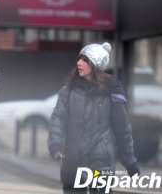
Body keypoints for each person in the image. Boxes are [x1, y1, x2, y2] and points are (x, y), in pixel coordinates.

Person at [48, 42, 140, 194]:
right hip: (73, 163)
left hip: (100, 164)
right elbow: (57, 120)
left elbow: (122, 129)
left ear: (96, 65)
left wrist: (130, 163)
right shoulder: (68, 91)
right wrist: (56, 145)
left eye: (85, 60)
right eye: (79, 59)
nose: (79, 63)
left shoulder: (112, 92)